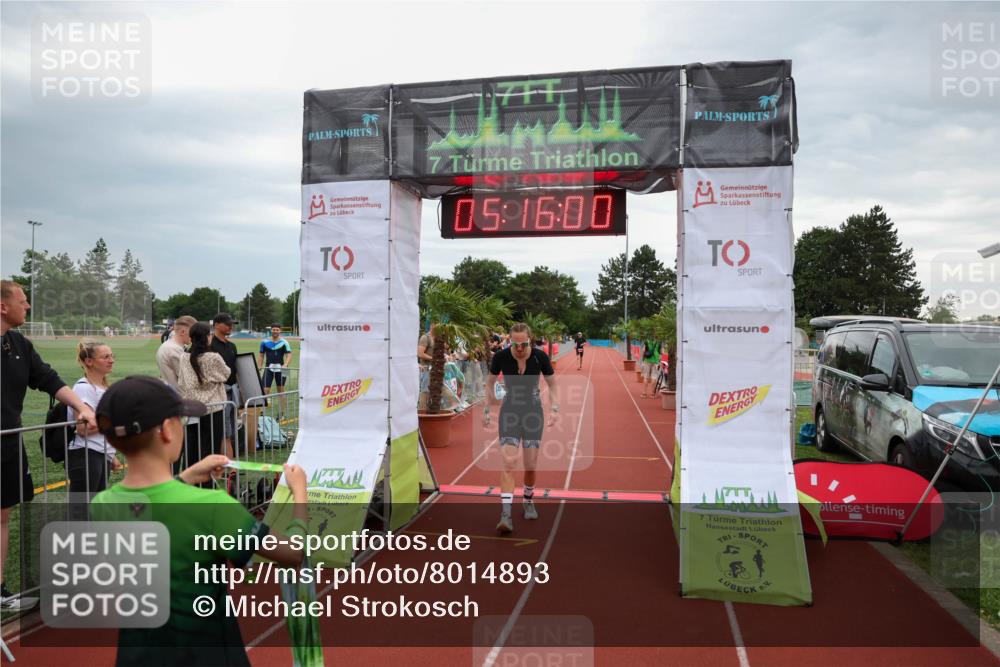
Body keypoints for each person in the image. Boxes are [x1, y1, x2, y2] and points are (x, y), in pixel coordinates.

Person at [89, 375, 309, 666]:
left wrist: (186, 476)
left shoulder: (101, 505)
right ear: (167, 429)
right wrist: (300, 492)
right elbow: (292, 553)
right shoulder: (212, 506)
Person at [0, 280, 98, 608]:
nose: (27, 307)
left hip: (8, 444)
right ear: (3, 306)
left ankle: (0, 591)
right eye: (23, 301)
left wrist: (82, 407)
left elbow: (49, 379)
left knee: (3, 516)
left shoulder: (18, 344)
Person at [483, 323, 559, 534]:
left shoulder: (539, 357)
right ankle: (505, 514)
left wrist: (555, 408)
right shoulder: (501, 357)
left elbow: (553, 385)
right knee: (508, 462)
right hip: (510, 411)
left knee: (530, 464)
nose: (518, 348)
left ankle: (527, 499)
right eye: (514, 344)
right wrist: (487, 409)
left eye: (523, 344)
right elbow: (489, 384)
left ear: (530, 340)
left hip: (533, 412)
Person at [67, 339, 120, 514]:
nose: (111, 360)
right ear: (89, 361)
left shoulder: (102, 386)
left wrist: (111, 455)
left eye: (111, 356)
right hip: (86, 455)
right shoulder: (84, 388)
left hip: (98, 454)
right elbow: (83, 429)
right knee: (82, 511)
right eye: (105, 357)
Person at [176, 322, 229, 479]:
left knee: (191, 449)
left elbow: (182, 382)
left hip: (192, 409)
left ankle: (189, 481)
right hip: (212, 410)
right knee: (209, 449)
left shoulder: (184, 357)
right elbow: (226, 374)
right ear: (207, 337)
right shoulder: (212, 357)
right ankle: (206, 484)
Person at [210, 313, 239, 458]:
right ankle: (228, 468)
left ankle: (229, 467)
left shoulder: (232, 345)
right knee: (224, 432)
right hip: (218, 394)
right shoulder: (209, 345)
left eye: (231, 324)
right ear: (216, 325)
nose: (230, 326)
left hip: (233, 391)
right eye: (227, 324)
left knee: (232, 430)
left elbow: (236, 370)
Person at [258, 323, 292, 417]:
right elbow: (261, 355)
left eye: (277, 330)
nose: (275, 331)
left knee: (281, 390)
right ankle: (261, 412)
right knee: (265, 390)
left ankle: (281, 413)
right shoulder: (264, 342)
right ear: (271, 330)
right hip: (269, 368)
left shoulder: (285, 342)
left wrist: (285, 364)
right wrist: (259, 366)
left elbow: (289, 355)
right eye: (273, 329)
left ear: (280, 331)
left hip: (282, 368)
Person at [156, 315, 196, 388]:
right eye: (193, 333)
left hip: (172, 392)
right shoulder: (174, 349)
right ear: (183, 332)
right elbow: (188, 378)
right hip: (179, 395)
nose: (195, 336)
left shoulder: (169, 345)